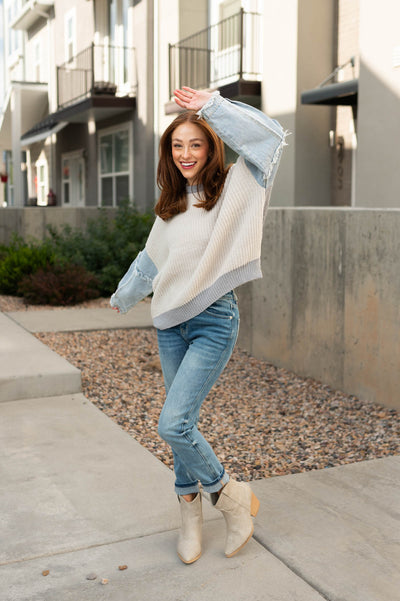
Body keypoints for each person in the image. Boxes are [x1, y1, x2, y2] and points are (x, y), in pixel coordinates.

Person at [111, 86, 287, 564]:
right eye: (177, 145)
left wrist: (212, 105)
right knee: (179, 428)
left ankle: (230, 499)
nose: (186, 154)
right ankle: (188, 514)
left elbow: (270, 140)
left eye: (196, 144)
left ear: (211, 148)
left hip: (212, 321)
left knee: (173, 423)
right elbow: (150, 260)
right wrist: (123, 297)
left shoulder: (235, 187)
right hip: (169, 324)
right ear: (169, 154)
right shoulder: (168, 205)